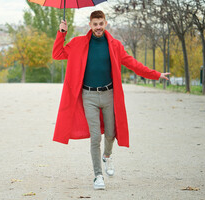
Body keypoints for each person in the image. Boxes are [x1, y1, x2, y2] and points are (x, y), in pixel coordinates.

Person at [52, 10, 170, 190]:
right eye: (95, 24)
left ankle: (107, 156)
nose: (98, 27)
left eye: (101, 24)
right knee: (94, 137)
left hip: (109, 95)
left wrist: (156, 74)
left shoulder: (114, 45)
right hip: (88, 96)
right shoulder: (78, 43)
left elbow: (133, 64)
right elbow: (57, 54)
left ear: (105, 23)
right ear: (90, 25)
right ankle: (98, 175)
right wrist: (62, 33)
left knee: (110, 133)